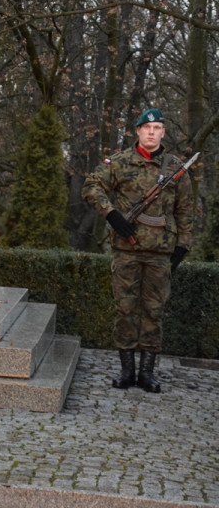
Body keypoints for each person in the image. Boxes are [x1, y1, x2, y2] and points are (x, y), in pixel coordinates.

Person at [82, 108, 194, 393]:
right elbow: (91, 187)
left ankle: (147, 373)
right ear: (138, 131)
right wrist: (112, 215)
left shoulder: (175, 168)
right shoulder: (118, 163)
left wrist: (183, 245)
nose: (152, 132)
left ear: (163, 132)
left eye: (157, 127)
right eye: (147, 127)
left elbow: (185, 210)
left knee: (153, 312)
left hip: (160, 253)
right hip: (126, 251)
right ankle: (127, 371)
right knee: (125, 310)